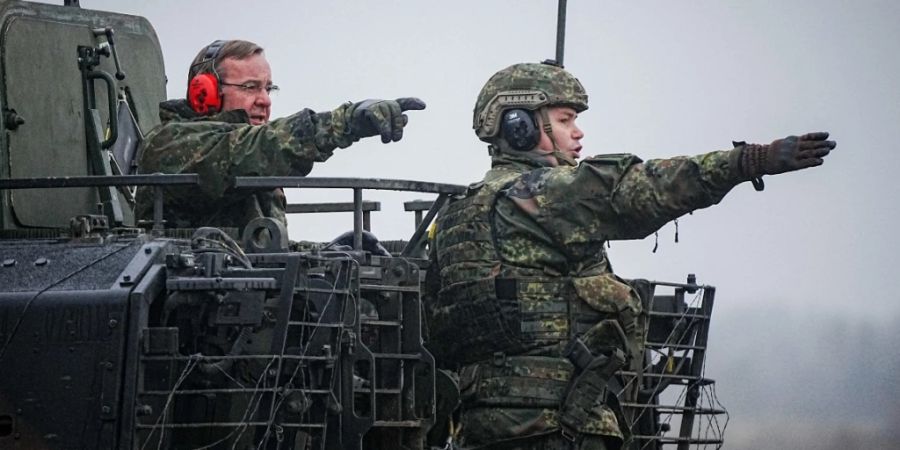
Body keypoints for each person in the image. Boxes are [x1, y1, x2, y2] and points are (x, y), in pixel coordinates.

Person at [425, 61, 835, 449]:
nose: (578, 133)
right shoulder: (541, 195)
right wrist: (747, 160)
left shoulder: (454, 215)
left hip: (480, 430)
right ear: (519, 127)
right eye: (566, 120)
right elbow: (641, 190)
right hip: (560, 425)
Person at [135, 40, 425, 234]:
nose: (264, 100)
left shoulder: (259, 158)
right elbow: (252, 150)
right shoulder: (170, 145)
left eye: (268, 89)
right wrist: (346, 122)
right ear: (204, 93)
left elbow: (257, 250)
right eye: (250, 87)